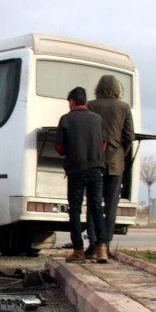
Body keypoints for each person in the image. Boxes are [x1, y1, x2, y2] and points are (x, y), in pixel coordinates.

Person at [85, 75, 134, 260]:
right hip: (115, 162)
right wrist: (121, 152)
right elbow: (129, 136)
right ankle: (106, 244)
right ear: (117, 89)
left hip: (94, 161)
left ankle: (93, 243)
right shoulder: (124, 107)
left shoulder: (91, 105)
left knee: (93, 204)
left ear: (98, 88)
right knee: (111, 206)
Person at [55, 86, 106, 263]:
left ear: (71, 102)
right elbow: (104, 144)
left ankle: (78, 251)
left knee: (75, 210)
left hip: (76, 170)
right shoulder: (98, 119)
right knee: (97, 207)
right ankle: (102, 249)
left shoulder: (66, 119)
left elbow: (60, 148)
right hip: (96, 169)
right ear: (86, 101)